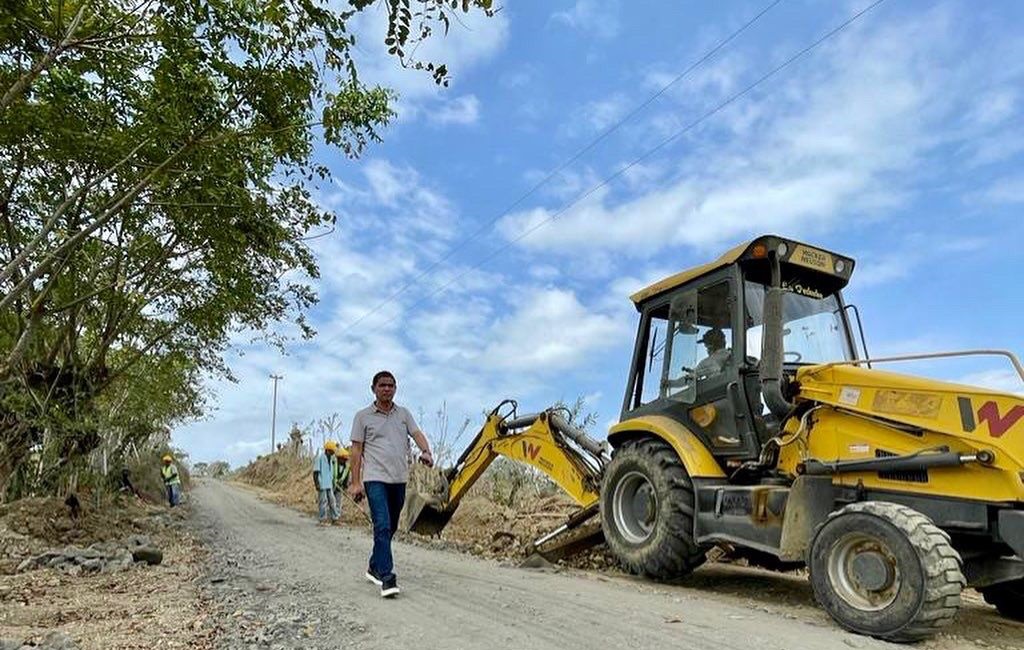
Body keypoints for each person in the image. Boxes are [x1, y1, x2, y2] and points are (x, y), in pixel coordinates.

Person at [348, 370, 433, 598]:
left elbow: (416, 433)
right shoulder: (362, 416)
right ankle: (387, 577)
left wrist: (426, 451)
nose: (387, 389)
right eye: (382, 385)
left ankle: (374, 565)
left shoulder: (403, 414)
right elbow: (356, 451)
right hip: (374, 478)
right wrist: (355, 483)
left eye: (391, 385)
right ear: (373, 388)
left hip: (399, 480)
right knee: (383, 525)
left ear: (395, 388)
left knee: (391, 527)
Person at [313, 441, 340, 525]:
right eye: (332, 451)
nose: (333, 453)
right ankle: (322, 519)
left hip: (329, 484)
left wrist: (333, 483)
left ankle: (335, 518)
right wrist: (317, 484)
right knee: (323, 502)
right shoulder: (320, 458)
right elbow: (315, 472)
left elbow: (331, 473)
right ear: (327, 450)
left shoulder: (331, 460)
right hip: (322, 484)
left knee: (332, 501)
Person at [333, 446, 352, 524]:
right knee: (330, 501)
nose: (344, 460)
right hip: (332, 485)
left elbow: (346, 478)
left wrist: (345, 487)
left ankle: (336, 517)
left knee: (338, 502)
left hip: (340, 487)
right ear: (339, 458)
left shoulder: (346, 467)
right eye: (343, 459)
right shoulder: (333, 464)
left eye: (345, 459)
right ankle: (330, 515)